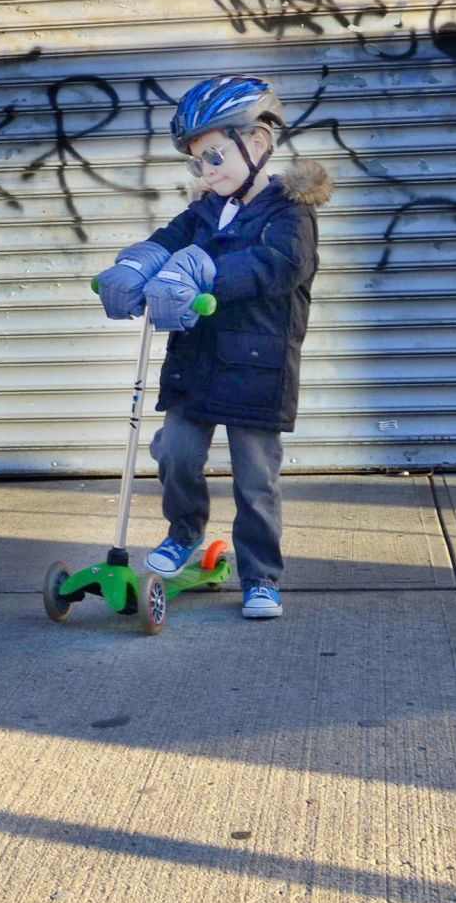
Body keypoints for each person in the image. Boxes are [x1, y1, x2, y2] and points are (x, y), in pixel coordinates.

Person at [93, 75, 331, 620]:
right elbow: (166, 241)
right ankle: (184, 533)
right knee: (174, 453)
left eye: (217, 155)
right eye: (199, 162)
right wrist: (134, 266)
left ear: (258, 143)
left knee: (255, 481)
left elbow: (278, 266)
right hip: (196, 364)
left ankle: (261, 577)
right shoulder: (203, 211)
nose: (209, 170)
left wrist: (205, 272)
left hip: (256, 365)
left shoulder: (290, 213)